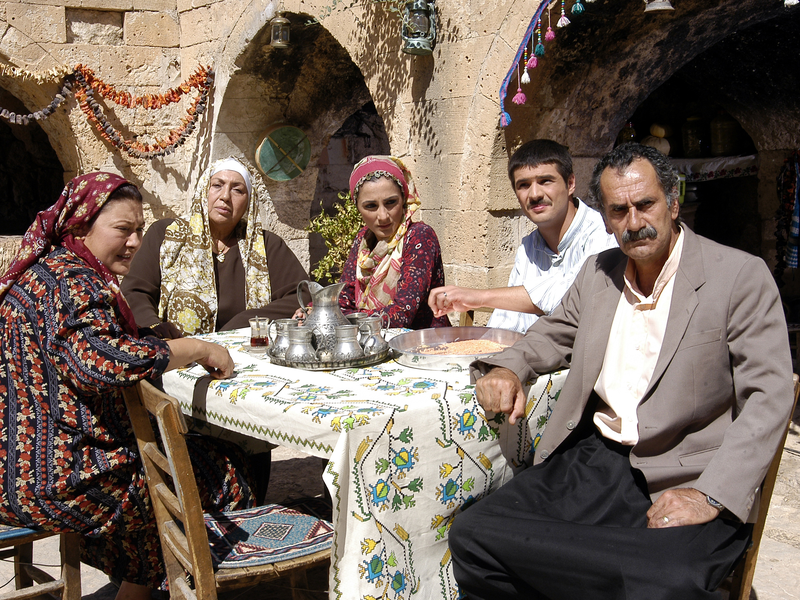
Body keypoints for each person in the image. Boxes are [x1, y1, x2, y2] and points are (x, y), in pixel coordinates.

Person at [448, 144, 794, 599]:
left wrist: (710, 494)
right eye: (618, 211)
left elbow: (768, 396)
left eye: (645, 204)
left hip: (689, 469)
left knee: (667, 579)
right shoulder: (599, 273)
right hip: (597, 459)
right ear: (605, 217)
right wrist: (508, 368)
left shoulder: (738, 276)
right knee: (475, 534)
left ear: (673, 201)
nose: (634, 223)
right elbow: (552, 334)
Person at [0, 173, 253, 600]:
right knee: (227, 470)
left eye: (139, 229)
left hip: (13, 465)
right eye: (123, 229)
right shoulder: (74, 284)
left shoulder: (45, 273)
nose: (135, 241)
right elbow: (99, 364)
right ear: (80, 226)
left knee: (162, 482)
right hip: (63, 479)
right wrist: (194, 347)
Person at [428, 139, 616, 332]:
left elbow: (567, 299)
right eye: (524, 185)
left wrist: (479, 297)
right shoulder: (529, 247)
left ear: (570, 184)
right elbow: (510, 318)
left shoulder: (602, 234)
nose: (534, 194)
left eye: (545, 181)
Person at [121, 157, 308, 338]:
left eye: (238, 190)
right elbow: (135, 292)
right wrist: (157, 330)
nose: (225, 196)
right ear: (204, 190)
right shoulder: (165, 235)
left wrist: (243, 323)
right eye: (217, 186)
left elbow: (303, 294)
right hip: (176, 352)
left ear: (249, 202)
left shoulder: (266, 246)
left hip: (243, 353)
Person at [337, 155, 449, 328]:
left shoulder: (420, 236)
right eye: (370, 206)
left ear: (404, 199)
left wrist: (342, 318)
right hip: (373, 342)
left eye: (391, 202)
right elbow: (343, 296)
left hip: (423, 345)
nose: (383, 216)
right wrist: (314, 311)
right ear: (357, 207)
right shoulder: (364, 240)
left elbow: (401, 314)